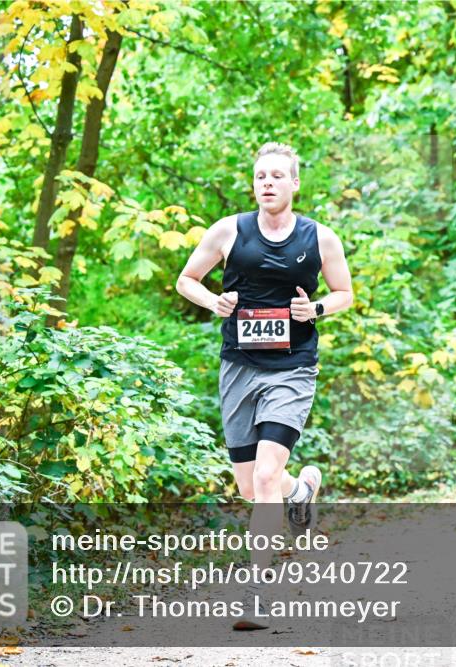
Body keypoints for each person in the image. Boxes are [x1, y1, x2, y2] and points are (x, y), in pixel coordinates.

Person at [175, 142, 353, 630]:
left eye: (278, 175)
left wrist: (313, 310)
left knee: (267, 475)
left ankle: (258, 592)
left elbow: (344, 293)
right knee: (251, 485)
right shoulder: (229, 231)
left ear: (295, 183)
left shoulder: (321, 238)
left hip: (293, 366)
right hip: (239, 366)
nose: (268, 183)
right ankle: (301, 493)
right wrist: (214, 302)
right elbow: (186, 280)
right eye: (260, 176)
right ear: (253, 184)